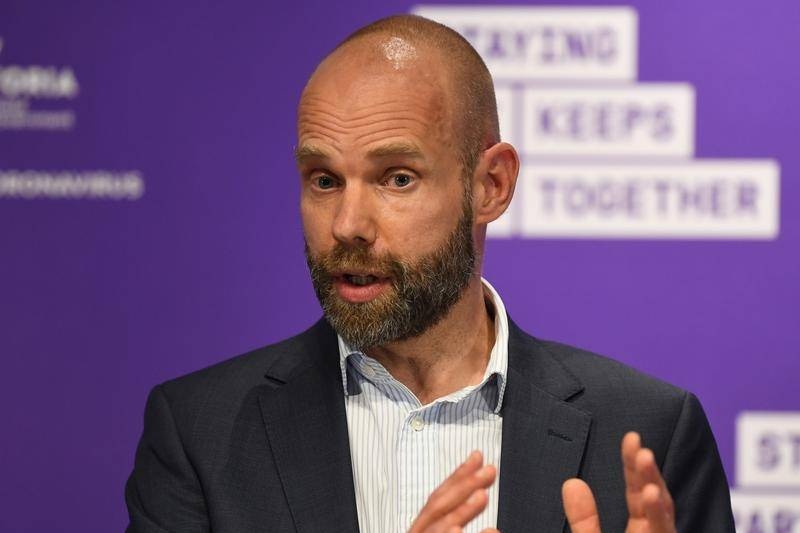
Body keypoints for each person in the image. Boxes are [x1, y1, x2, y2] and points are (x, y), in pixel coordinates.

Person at [125, 14, 735, 533]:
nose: (347, 225)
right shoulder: (199, 433)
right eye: (324, 179)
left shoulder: (651, 430)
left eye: (397, 178)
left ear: (490, 186)